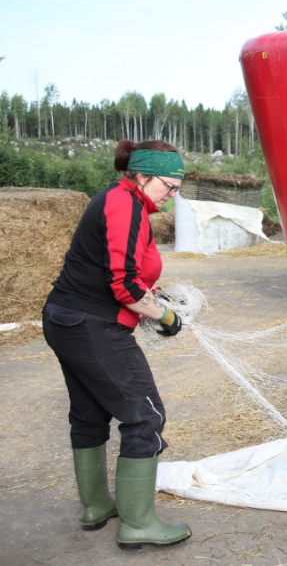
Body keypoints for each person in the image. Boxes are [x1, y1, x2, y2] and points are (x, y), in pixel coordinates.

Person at [42, 139, 191, 550]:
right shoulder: (125, 204)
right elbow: (122, 286)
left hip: (67, 317)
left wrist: (152, 294)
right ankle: (139, 523)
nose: (172, 195)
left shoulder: (124, 200)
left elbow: (119, 270)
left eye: (177, 189)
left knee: (89, 414)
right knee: (146, 417)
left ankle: (96, 507)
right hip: (91, 324)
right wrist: (165, 316)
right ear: (141, 175)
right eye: (169, 186)